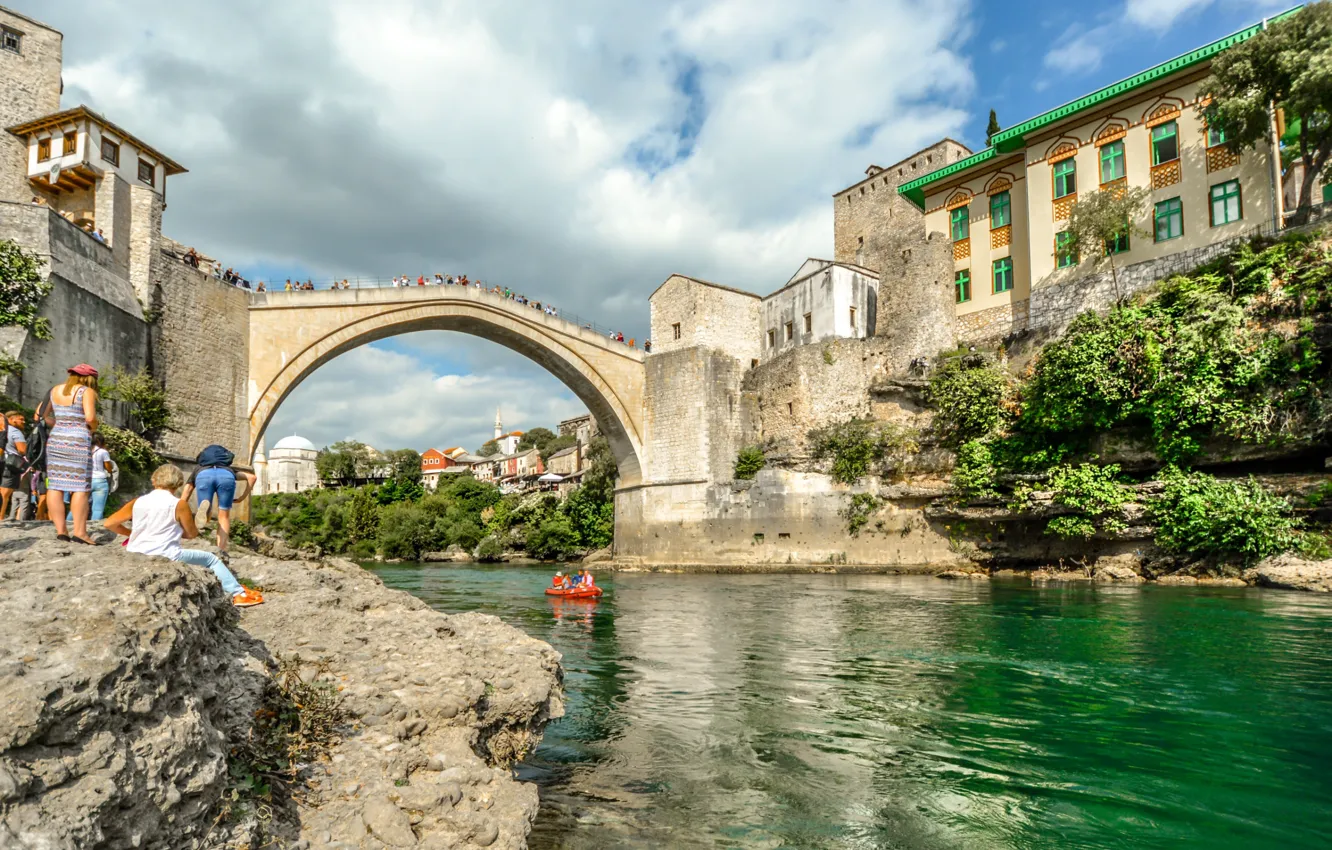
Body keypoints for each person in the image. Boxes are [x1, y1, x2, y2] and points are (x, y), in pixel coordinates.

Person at [105, 464, 264, 608]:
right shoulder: (179, 505)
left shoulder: (137, 501)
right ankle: (238, 594)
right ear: (179, 483)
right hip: (166, 554)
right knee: (211, 559)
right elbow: (191, 534)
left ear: (154, 480)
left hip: (136, 551)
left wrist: (132, 534)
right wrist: (184, 527)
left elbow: (110, 524)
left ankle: (237, 592)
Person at [45, 365, 99, 544]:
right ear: (89, 379)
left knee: (55, 485)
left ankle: (61, 531)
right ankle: (80, 532)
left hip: (56, 440)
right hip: (78, 441)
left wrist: (60, 425)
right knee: (80, 487)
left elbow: (41, 415)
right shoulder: (86, 391)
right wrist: (93, 427)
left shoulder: (55, 390)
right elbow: (90, 418)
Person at [181, 444, 256, 564]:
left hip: (203, 477)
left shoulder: (199, 468)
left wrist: (180, 506)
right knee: (224, 516)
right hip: (226, 478)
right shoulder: (229, 469)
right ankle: (221, 549)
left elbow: (188, 490)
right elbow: (252, 477)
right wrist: (242, 497)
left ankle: (207, 511)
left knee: (205, 512)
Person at [1, 409, 27, 521]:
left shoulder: (2, 429)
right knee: (4, 494)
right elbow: (22, 450)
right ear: (11, 419)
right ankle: (1, 519)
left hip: (2, 462)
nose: (23, 422)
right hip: (10, 465)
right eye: (21, 419)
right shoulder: (15, 432)